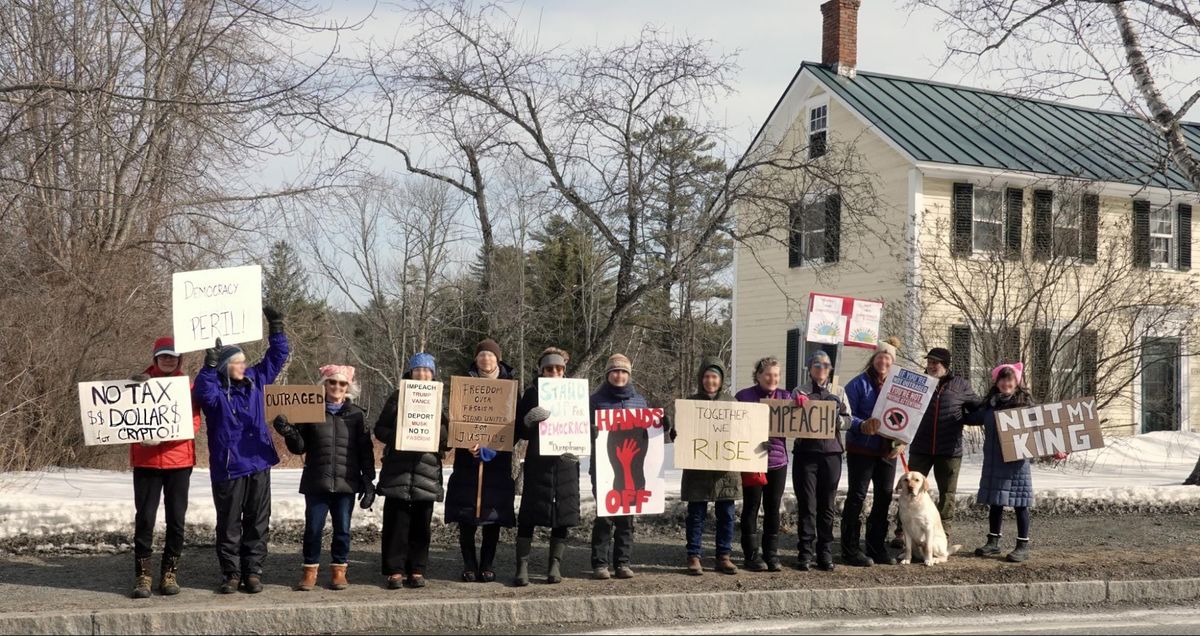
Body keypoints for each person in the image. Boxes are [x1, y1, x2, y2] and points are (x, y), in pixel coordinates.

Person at [193, 306, 289, 594]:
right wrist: (209, 366)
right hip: (229, 465)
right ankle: (231, 573)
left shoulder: (257, 381)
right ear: (225, 366)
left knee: (258, 521)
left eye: (244, 361)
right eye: (236, 362)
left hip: (258, 461)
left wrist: (277, 327)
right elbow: (202, 391)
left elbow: (277, 357)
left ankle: (253, 571)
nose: (243, 365)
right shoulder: (216, 394)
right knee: (230, 523)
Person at [273, 365, 375, 591]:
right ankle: (310, 571)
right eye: (332, 382)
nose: (336, 387)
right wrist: (289, 432)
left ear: (348, 387)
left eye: (342, 383)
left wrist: (369, 481)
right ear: (324, 384)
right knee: (313, 529)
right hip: (316, 480)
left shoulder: (357, 415)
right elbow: (300, 447)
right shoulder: (310, 410)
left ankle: (339, 571)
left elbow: (365, 451)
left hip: (346, 482)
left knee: (343, 529)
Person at [128, 337, 202, 598]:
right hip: (146, 462)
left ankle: (169, 573)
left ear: (179, 359)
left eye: (173, 356)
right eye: (163, 356)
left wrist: (163, 436)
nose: (168, 360)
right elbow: (123, 420)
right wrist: (141, 433)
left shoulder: (187, 386)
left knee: (176, 520)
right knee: (145, 518)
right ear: (155, 359)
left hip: (179, 461)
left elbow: (193, 423)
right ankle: (143, 575)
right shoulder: (135, 384)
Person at [444, 339, 517, 583]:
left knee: (492, 516)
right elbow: (456, 421)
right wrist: (468, 443)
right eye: (482, 355)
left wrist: (493, 448)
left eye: (491, 356)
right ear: (476, 359)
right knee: (466, 515)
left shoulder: (509, 386)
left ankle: (487, 564)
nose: (486, 359)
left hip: (498, 461)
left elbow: (512, 428)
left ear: (498, 359)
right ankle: (469, 563)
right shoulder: (464, 384)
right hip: (468, 461)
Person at [893, 347, 981, 548]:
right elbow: (901, 407)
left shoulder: (961, 386)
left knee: (947, 494)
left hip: (949, 450)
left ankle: (943, 534)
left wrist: (965, 418)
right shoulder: (918, 382)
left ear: (946, 366)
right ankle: (901, 533)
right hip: (921, 447)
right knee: (909, 489)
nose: (931, 366)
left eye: (936, 363)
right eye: (929, 362)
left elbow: (978, 408)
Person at [374, 353, 449, 589]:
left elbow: (447, 439)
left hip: (426, 470)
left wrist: (438, 434)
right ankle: (394, 571)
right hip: (398, 469)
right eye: (418, 370)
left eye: (427, 370)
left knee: (421, 524)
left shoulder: (440, 400)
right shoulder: (397, 397)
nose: (422, 374)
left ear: (433, 374)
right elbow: (380, 430)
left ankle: (417, 569)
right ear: (411, 372)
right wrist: (399, 435)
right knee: (395, 523)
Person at [512, 347, 581, 586]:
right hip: (538, 462)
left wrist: (579, 447)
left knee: (563, 515)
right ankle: (522, 566)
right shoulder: (532, 393)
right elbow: (519, 432)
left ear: (564, 370)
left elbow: (586, 426)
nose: (554, 372)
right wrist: (528, 420)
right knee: (529, 514)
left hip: (566, 463)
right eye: (549, 368)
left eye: (558, 368)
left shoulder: (575, 393)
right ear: (541, 370)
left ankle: (555, 565)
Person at [842, 336, 906, 568]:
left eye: (888, 358)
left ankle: (876, 545)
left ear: (893, 361)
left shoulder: (897, 386)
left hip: (886, 450)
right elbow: (846, 415)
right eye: (880, 356)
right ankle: (850, 547)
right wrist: (862, 424)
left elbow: (908, 415)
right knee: (857, 497)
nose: (884, 361)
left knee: (884, 497)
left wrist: (902, 439)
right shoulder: (858, 384)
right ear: (873, 358)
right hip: (862, 448)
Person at [966, 363, 1036, 563]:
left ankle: (1023, 545)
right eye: (1003, 379)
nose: (1006, 383)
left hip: (1016, 461)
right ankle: (993, 542)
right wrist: (955, 409)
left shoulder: (1025, 404)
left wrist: (1057, 448)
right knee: (996, 501)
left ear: (1017, 382)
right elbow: (973, 417)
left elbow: (1043, 428)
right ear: (996, 382)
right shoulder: (991, 404)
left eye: (1010, 379)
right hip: (995, 459)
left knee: (1020, 503)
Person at [589, 353, 650, 580]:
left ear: (629, 375)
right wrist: (591, 432)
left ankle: (623, 562)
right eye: (615, 371)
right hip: (604, 468)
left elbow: (647, 436)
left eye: (624, 371)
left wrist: (661, 426)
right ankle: (600, 563)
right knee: (604, 516)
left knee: (626, 517)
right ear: (608, 374)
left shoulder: (639, 401)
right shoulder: (595, 400)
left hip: (632, 468)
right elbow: (580, 431)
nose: (619, 375)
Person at [677, 357, 740, 576]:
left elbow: (743, 433)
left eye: (714, 377)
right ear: (700, 378)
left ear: (721, 379)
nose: (710, 381)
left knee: (727, 515)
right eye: (706, 376)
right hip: (697, 469)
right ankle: (694, 556)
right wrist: (676, 432)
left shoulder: (733, 403)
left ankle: (724, 556)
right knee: (696, 515)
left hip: (726, 471)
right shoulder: (690, 403)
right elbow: (682, 433)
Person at [791, 350, 850, 572]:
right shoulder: (799, 391)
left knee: (827, 505)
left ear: (830, 369)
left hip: (832, 453)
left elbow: (849, 419)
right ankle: (805, 553)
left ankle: (825, 552)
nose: (821, 369)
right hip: (806, 454)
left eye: (826, 365)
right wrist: (794, 405)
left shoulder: (839, 392)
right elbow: (787, 418)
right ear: (810, 368)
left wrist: (837, 421)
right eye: (817, 365)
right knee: (807, 505)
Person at [734, 357, 791, 572]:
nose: (772, 378)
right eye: (768, 374)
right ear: (758, 375)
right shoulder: (743, 397)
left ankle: (771, 554)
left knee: (773, 509)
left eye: (776, 375)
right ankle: (751, 554)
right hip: (752, 460)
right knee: (751, 507)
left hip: (778, 462)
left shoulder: (786, 397)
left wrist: (802, 404)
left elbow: (801, 418)